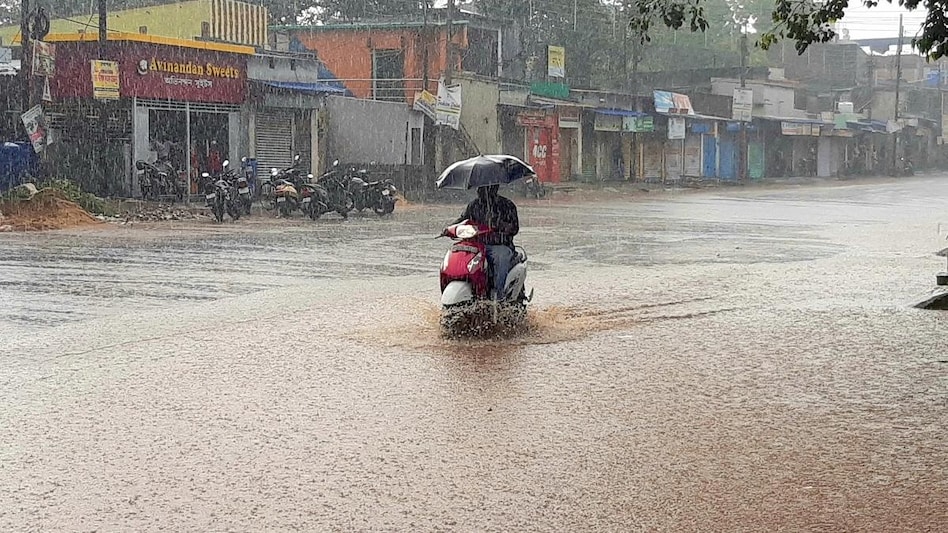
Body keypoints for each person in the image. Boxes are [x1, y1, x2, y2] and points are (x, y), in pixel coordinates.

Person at [453, 184, 520, 299]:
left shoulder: (507, 205)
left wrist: (499, 225)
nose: (479, 190)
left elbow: (514, 228)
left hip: (500, 245)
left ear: (494, 188)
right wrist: (451, 228)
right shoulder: (474, 205)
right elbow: (463, 220)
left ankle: (499, 295)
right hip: (476, 245)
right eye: (479, 188)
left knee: (500, 258)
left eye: (483, 188)